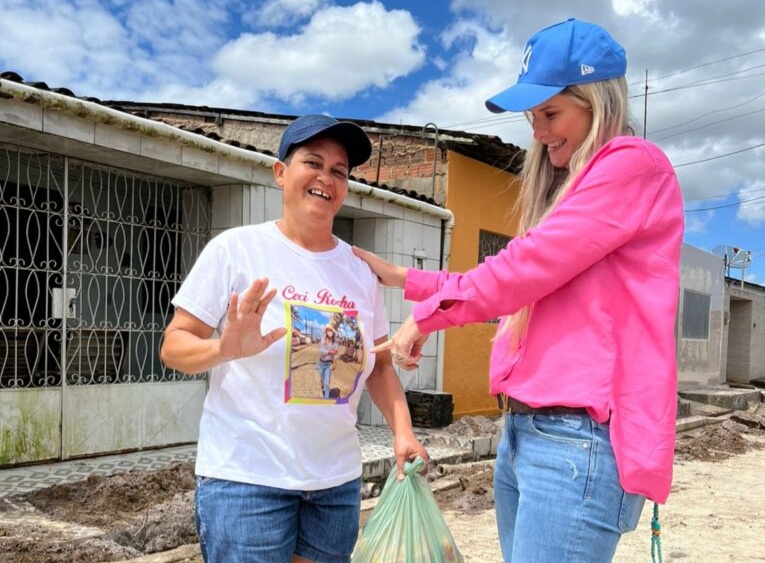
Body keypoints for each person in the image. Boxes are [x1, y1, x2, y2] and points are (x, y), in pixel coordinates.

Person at [353, 18, 683, 563]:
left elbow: (522, 271)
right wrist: (403, 278)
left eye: (550, 113)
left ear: (598, 101)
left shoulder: (632, 167)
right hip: (528, 431)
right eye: (533, 116)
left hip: (575, 439)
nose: (537, 131)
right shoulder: (576, 192)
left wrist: (425, 317)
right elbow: (519, 278)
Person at [160, 114, 428, 563]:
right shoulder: (236, 250)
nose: (326, 178)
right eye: (313, 163)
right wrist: (223, 349)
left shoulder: (360, 271)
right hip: (247, 480)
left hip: (335, 485)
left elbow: (379, 364)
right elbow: (174, 345)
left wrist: (403, 432)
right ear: (281, 172)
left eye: (339, 171)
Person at [317, 324, 339, 398]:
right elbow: (321, 350)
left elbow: (336, 352)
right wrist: (330, 352)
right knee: (322, 381)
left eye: (331, 330)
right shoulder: (323, 339)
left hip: (328, 364)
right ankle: (323, 392)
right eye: (328, 330)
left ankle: (326, 398)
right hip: (321, 363)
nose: (329, 332)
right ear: (326, 331)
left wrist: (334, 364)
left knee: (327, 382)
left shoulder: (335, 341)